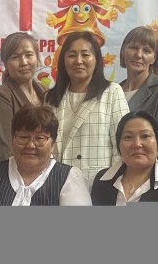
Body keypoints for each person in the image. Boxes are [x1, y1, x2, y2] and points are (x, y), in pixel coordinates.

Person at [46, 30, 130, 186]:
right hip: (57, 183)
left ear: (96, 59)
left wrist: (113, 186)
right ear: (63, 60)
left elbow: (122, 146)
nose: (78, 61)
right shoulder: (50, 98)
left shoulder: (112, 92)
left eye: (85, 54)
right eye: (72, 55)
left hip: (97, 184)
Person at [0, 104, 91, 206]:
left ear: (53, 144)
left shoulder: (70, 178)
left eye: (40, 138)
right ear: (12, 139)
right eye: (23, 137)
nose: (30, 145)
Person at [91, 111, 158, 204]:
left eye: (145, 136)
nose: (137, 144)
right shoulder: (99, 182)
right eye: (128, 137)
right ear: (118, 145)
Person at [119, 25, 158, 164]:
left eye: (146, 51)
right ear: (123, 51)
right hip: (115, 170)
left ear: (154, 58)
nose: (138, 55)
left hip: (146, 171)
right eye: (133, 48)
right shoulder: (115, 90)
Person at [0, 32, 47, 163]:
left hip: (47, 170)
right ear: (5, 64)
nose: (23, 62)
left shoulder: (45, 92)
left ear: (37, 59)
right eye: (15, 57)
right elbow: (4, 151)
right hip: (16, 172)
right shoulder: (1, 97)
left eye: (29, 55)